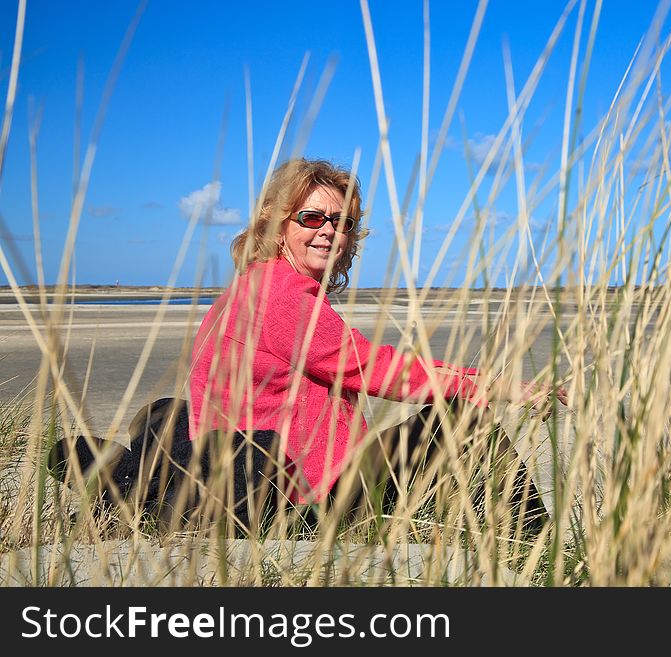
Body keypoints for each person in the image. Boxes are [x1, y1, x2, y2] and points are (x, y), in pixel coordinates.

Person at [49, 157, 565, 536]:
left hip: (275, 478)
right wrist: (493, 387)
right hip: (308, 496)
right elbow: (377, 370)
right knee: (458, 424)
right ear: (277, 224)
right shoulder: (281, 298)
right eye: (311, 218)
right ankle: (537, 552)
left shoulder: (249, 287)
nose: (328, 233)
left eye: (340, 222)